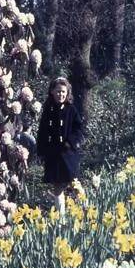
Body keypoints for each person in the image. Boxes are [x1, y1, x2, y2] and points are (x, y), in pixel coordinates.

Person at [35, 76, 85, 213]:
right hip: (53, 154)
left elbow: (79, 129)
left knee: (74, 182)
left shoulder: (72, 110)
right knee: (57, 187)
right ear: (52, 92)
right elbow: (42, 132)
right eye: (58, 91)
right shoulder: (48, 110)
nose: (60, 94)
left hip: (68, 154)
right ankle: (61, 218)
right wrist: (41, 152)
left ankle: (87, 209)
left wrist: (70, 142)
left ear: (67, 92)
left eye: (63, 92)